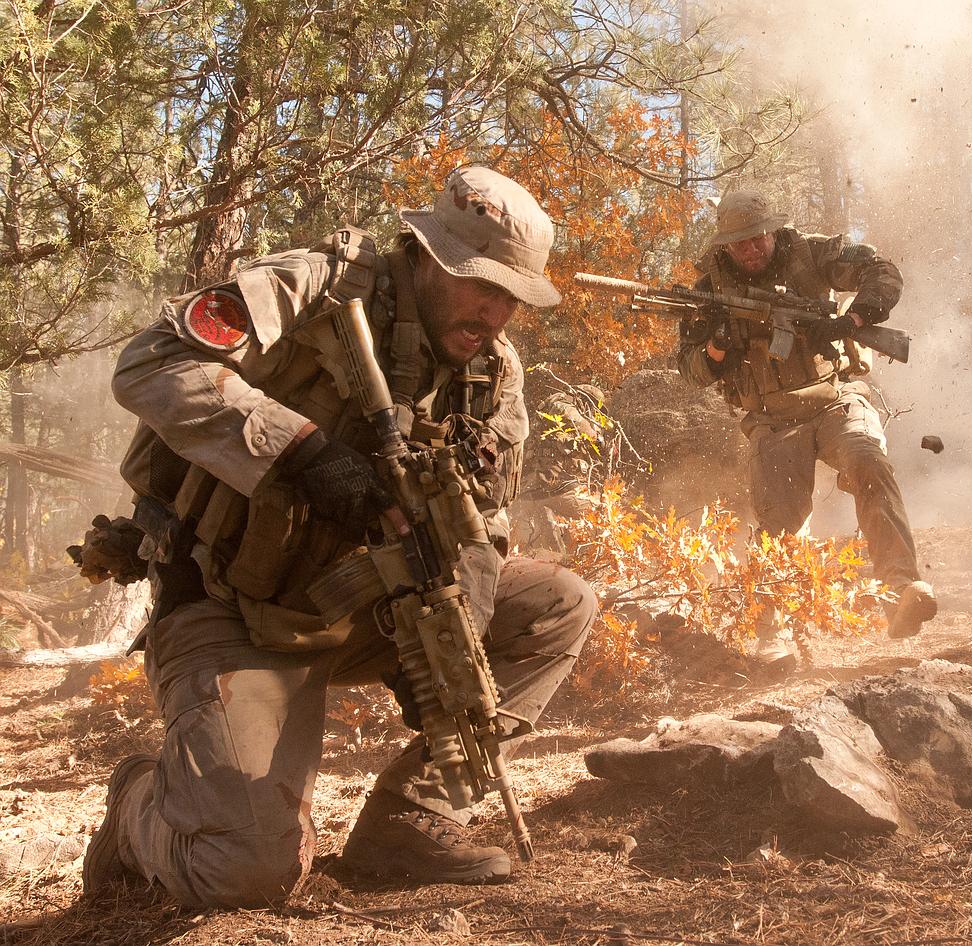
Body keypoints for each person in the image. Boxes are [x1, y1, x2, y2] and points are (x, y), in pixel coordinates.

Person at [81, 167, 597, 908]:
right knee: (248, 870)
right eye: (480, 283)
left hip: (370, 609)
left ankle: (410, 819)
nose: (495, 311)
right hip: (235, 607)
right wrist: (302, 451)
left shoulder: (491, 372)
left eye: (512, 295)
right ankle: (137, 807)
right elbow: (150, 364)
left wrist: (464, 640)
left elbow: (486, 521)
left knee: (559, 604)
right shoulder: (312, 289)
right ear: (427, 255)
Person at [676, 190, 936, 673]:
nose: (752, 249)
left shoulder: (813, 254)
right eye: (741, 242)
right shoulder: (709, 291)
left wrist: (851, 320)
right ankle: (773, 634)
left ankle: (901, 588)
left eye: (759, 237)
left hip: (836, 398)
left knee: (870, 464)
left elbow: (882, 271)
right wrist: (717, 347)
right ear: (725, 245)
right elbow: (690, 371)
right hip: (772, 419)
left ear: (773, 231)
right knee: (779, 526)